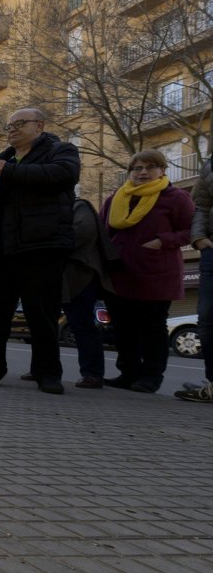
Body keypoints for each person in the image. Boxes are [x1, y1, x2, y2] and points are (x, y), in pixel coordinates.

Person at [0, 107, 80, 395]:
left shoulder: (60, 150)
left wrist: (9, 170)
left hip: (41, 246)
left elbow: (64, 175)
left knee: (41, 313)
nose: (12, 130)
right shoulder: (0, 160)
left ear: (39, 125)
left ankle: (48, 374)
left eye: (19, 124)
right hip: (0, 248)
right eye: (9, 126)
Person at [99, 150, 194, 393]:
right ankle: (128, 372)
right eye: (137, 168)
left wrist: (162, 240)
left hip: (156, 274)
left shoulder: (176, 197)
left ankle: (151, 376)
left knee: (152, 328)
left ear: (162, 170)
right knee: (122, 327)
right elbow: (102, 232)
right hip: (120, 274)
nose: (143, 172)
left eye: (150, 167)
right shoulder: (115, 198)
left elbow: (191, 230)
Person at [58, 198, 115, 389]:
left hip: (80, 274)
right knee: (47, 323)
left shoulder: (78, 206)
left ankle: (93, 373)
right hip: (59, 275)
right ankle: (41, 367)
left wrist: (50, 242)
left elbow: (82, 233)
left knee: (82, 324)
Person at [178, 156, 213, 402]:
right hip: (212, 252)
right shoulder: (211, 164)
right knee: (208, 320)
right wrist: (199, 237)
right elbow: (201, 205)